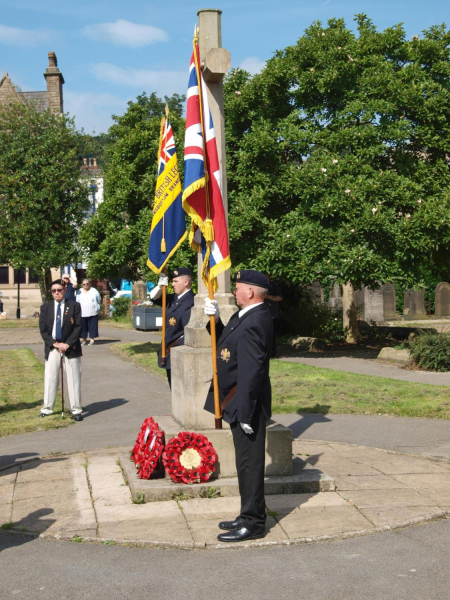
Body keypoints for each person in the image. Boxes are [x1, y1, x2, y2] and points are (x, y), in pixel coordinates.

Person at [204, 269, 273, 542]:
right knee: (244, 464)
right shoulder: (244, 316)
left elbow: (252, 371)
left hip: (246, 405)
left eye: (239, 286)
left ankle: (254, 523)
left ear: (251, 291)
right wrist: (215, 321)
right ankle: (247, 515)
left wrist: (245, 411)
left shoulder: (257, 319)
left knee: (250, 465)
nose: (235, 291)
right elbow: (229, 346)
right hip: (237, 402)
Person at [39, 279, 83, 421]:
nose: (57, 293)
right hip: (53, 348)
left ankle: (76, 409)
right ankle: (47, 408)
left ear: (64, 290)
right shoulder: (45, 308)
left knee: (73, 379)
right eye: (54, 291)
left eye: (59, 290)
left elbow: (78, 327)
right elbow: (43, 330)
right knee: (51, 378)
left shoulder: (74, 306)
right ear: (51, 292)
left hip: (70, 348)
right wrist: (54, 344)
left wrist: (67, 344)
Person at [150, 267, 195, 388]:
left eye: (175, 281)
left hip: (178, 351)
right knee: (173, 389)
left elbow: (188, 331)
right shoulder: (173, 299)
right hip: (168, 352)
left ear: (186, 282)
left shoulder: (191, 301)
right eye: (172, 281)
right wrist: (160, 287)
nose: (172, 284)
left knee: (180, 389)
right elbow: (153, 298)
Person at [76, 279, 101, 345]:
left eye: (87, 284)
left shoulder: (94, 290)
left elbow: (99, 298)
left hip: (93, 312)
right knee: (83, 327)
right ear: (82, 285)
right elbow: (77, 300)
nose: (86, 285)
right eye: (84, 284)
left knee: (92, 327)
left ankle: (92, 340)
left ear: (89, 284)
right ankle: (84, 340)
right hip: (82, 313)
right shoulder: (79, 291)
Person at [264, 277, 283, 358]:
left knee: (271, 335)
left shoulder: (274, 286)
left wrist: (269, 297)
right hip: (262, 315)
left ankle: (272, 353)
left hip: (272, 315)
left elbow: (280, 298)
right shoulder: (260, 285)